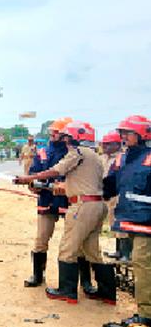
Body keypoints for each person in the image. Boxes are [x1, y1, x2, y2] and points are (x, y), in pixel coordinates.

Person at [15, 121, 114, 305]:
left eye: (66, 135)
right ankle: (106, 292)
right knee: (91, 249)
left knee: (68, 248)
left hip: (80, 204)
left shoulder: (76, 153)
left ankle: (67, 291)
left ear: (75, 137)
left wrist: (28, 178)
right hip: (93, 204)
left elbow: (55, 171)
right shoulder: (94, 155)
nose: (64, 139)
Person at [23, 117, 98, 293]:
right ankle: (37, 276)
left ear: (66, 135)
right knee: (41, 239)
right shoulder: (43, 151)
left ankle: (85, 282)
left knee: (76, 242)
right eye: (52, 131)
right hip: (46, 201)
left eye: (57, 132)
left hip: (70, 201)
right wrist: (33, 185)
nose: (53, 134)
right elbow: (34, 172)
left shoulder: (75, 153)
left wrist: (63, 186)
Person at [103, 115, 151, 327]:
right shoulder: (122, 159)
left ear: (142, 135)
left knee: (143, 265)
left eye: (127, 133)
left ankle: (146, 316)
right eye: (122, 132)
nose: (123, 136)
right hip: (130, 220)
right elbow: (110, 186)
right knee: (140, 264)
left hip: (148, 222)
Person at [100, 131, 132, 262]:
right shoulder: (103, 158)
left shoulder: (121, 157)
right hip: (107, 194)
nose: (105, 147)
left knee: (122, 224)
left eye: (108, 144)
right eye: (104, 144)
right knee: (114, 223)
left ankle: (125, 253)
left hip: (118, 195)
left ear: (117, 144)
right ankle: (119, 250)